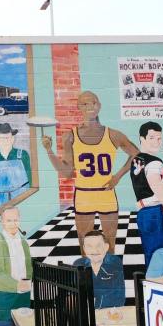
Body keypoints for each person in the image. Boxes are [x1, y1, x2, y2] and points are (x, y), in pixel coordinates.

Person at [42, 91, 139, 253]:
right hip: (84, 194)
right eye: (85, 103)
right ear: (79, 107)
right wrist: (49, 150)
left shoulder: (114, 134)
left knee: (110, 243)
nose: (90, 106)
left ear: (99, 106)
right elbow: (66, 172)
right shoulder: (70, 136)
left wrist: (118, 176)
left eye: (93, 102)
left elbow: (136, 154)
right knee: (85, 244)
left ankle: (108, 275)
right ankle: (87, 277)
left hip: (106, 192)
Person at [130, 122, 163, 267]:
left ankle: (152, 285)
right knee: (162, 253)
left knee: (151, 253)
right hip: (156, 212)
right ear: (141, 138)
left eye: (158, 138)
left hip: (144, 214)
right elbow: (160, 191)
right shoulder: (155, 162)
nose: (157, 142)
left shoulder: (137, 159)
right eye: (152, 138)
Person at [0, 123, 32, 212]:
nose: (5, 141)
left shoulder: (22, 155)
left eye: (8, 137)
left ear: (12, 139)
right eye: (2, 138)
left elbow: (30, 179)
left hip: (20, 199)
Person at [73, 230, 125, 309]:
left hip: (109, 312)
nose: (94, 250)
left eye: (98, 246)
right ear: (84, 248)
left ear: (106, 247)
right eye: (89, 246)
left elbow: (117, 295)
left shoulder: (114, 262)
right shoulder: (78, 263)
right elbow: (75, 291)